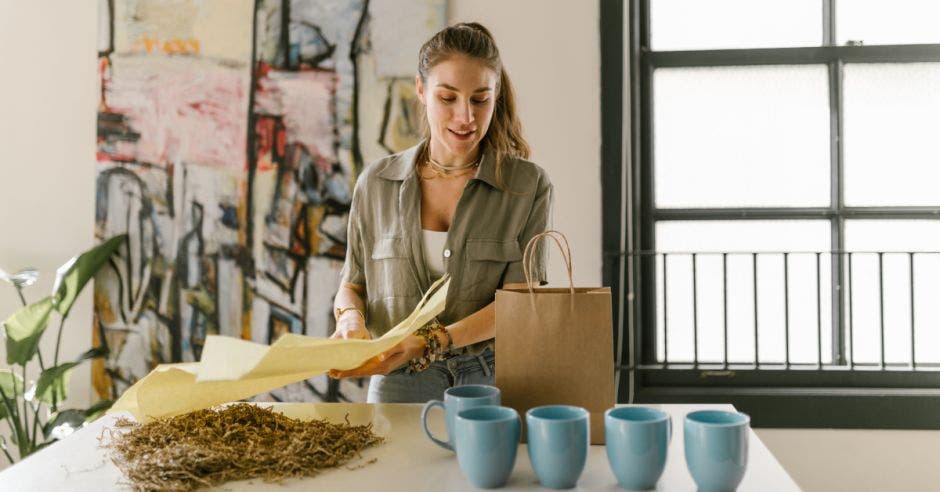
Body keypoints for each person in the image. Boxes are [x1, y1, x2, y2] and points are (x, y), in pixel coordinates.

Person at [328, 22, 552, 403]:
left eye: (480, 100)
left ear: (496, 96)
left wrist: (431, 341)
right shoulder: (376, 183)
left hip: (493, 376)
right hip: (397, 378)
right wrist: (350, 319)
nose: (466, 117)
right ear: (421, 90)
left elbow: (518, 305)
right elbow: (353, 286)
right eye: (448, 98)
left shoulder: (527, 186)